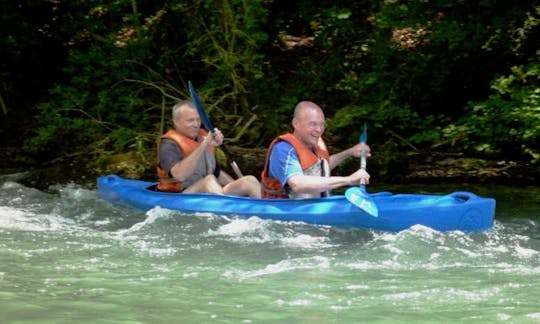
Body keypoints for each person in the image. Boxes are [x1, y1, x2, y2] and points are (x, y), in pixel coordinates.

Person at [261, 101, 371, 199]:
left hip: (315, 204)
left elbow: (321, 167)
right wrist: (348, 180)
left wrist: (350, 152)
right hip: (286, 209)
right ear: (295, 123)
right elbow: (298, 184)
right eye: (313, 124)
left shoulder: (314, 144)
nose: (319, 130)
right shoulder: (283, 149)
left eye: (322, 125)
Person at [157, 100, 261, 197]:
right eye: (190, 120)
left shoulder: (203, 137)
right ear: (176, 121)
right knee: (209, 180)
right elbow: (179, 175)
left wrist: (238, 187)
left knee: (249, 180)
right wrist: (204, 144)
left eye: (198, 120)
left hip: (210, 193)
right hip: (178, 195)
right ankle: (228, 211)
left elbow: (216, 173)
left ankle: (267, 208)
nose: (196, 124)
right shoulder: (168, 144)